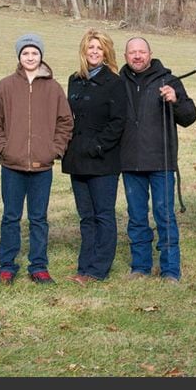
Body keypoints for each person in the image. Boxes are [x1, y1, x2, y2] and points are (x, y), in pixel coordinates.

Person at [0, 33, 73, 285]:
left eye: (35, 53)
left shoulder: (53, 88)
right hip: (12, 165)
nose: (30, 57)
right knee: (11, 217)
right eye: (26, 53)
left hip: (42, 166)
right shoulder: (4, 87)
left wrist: (54, 150)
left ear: (41, 56)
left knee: (39, 218)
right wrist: (4, 148)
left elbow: (65, 122)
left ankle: (38, 266)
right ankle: (7, 266)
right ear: (19, 57)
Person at [120, 36, 196, 282]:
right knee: (136, 217)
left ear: (150, 54)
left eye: (141, 51)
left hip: (161, 162)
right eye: (132, 52)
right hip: (130, 162)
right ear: (126, 56)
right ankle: (140, 267)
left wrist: (176, 100)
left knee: (164, 216)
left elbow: (189, 116)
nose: (137, 56)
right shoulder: (117, 82)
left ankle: (170, 270)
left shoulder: (168, 80)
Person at [62, 28, 127, 286]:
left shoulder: (115, 82)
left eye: (99, 48)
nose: (94, 52)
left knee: (103, 215)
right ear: (84, 51)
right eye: (91, 48)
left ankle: (99, 269)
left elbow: (118, 122)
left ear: (106, 52)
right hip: (77, 158)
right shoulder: (74, 80)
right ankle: (84, 266)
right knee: (86, 216)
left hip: (103, 160)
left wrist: (99, 146)